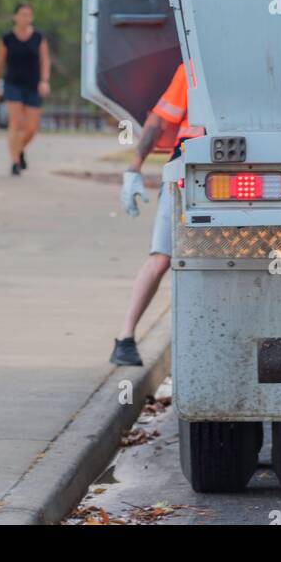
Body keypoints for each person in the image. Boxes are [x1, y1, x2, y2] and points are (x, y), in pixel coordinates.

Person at [110, 61, 203, 366]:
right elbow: (159, 122)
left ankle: (127, 337)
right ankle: (125, 337)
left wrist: (134, 167)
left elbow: (158, 122)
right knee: (162, 258)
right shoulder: (193, 68)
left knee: (163, 258)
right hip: (190, 166)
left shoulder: (195, 65)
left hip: (201, 167)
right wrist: (134, 167)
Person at [0, 3, 50, 176]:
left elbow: (45, 60)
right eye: (22, 14)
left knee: (31, 128)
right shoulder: (6, 39)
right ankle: (15, 161)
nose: (25, 18)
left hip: (33, 85)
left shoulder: (38, 37)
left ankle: (19, 149)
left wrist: (44, 81)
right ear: (15, 17)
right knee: (15, 123)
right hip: (13, 84)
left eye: (28, 15)